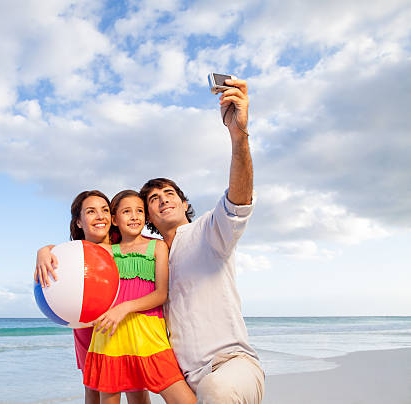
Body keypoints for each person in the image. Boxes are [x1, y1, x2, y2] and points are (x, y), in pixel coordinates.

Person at [138, 78, 264, 403]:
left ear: (184, 204)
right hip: (185, 383)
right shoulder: (151, 259)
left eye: (170, 193)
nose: (163, 199)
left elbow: (238, 201)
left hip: (232, 368)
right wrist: (47, 251)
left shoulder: (207, 231)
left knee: (216, 390)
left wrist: (239, 137)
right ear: (148, 216)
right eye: (153, 198)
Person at [34, 190, 150, 404]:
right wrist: (43, 250)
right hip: (86, 326)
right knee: (93, 388)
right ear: (78, 222)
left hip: (122, 324)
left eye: (105, 210)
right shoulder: (74, 253)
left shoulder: (122, 245)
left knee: (136, 389)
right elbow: (58, 252)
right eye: (91, 211)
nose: (100, 216)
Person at [83, 190, 195, 404]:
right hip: (110, 337)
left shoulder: (157, 247)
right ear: (114, 219)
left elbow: (161, 294)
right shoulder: (104, 251)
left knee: (184, 399)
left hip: (150, 336)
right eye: (126, 211)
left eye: (139, 211)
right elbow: (70, 252)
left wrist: (123, 308)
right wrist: (43, 252)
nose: (134, 216)